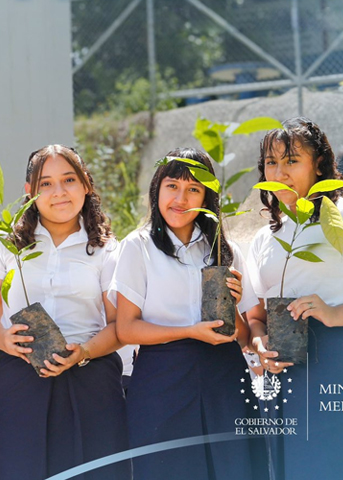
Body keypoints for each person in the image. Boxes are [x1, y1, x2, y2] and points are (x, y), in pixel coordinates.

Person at [0, 145, 130, 479]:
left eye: (69, 180)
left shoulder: (106, 249)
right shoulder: (6, 243)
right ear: (29, 192)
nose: (58, 192)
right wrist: (0, 338)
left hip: (91, 379)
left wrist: (84, 352)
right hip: (18, 377)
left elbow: (119, 326)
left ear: (86, 184)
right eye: (45, 183)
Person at [113, 147, 260, 480]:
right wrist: (189, 331)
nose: (180, 198)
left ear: (207, 196)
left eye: (193, 189)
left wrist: (234, 304)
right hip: (162, 382)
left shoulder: (225, 249)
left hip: (225, 379)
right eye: (172, 186)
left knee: (234, 469)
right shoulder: (137, 247)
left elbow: (245, 336)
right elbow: (126, 329)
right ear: (157, 189)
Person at [245, 118, 343, 480]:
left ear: (319, 164)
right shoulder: (264, 239)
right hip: (283, 375)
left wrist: (333, 313)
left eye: (292, 161)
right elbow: (256, 316)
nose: (280, 171)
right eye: (272, 162)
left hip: (341, 366)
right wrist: (261, 344)